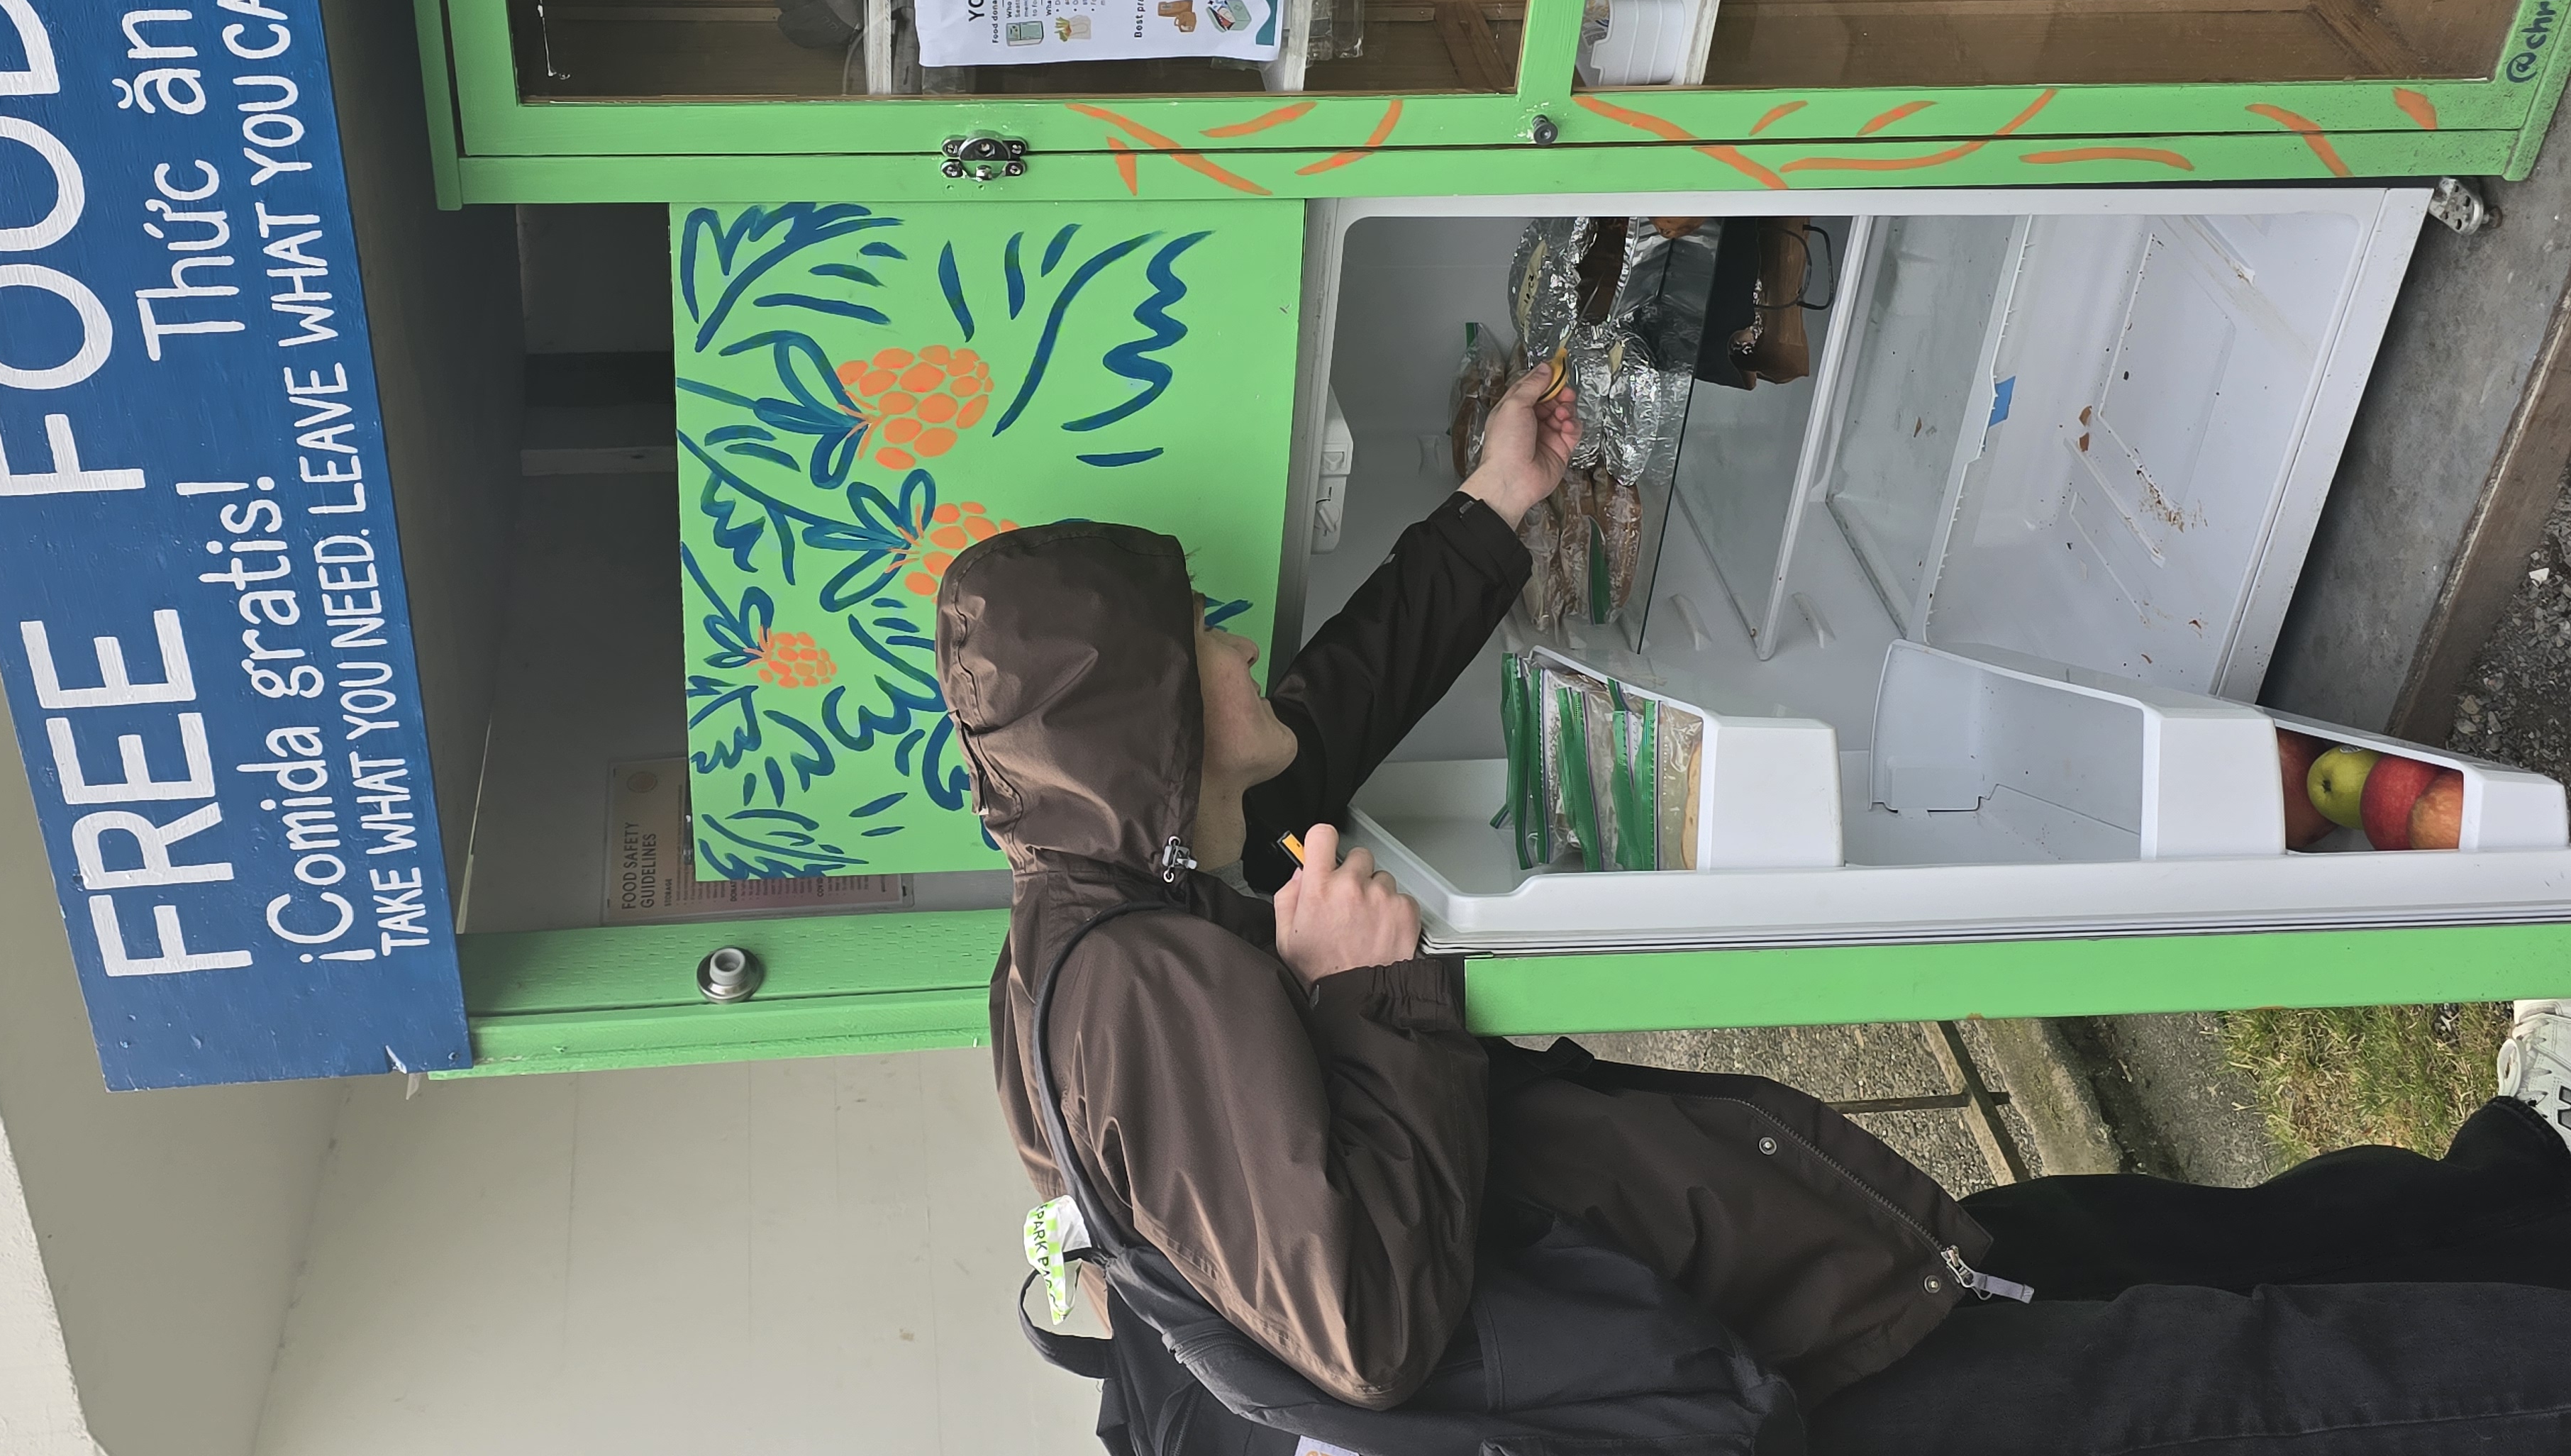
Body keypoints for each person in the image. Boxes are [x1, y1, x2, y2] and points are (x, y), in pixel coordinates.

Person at [931, 364, 2571, 1454]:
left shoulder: (1150, 884)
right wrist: (1368, 997)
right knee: (2234, 1392)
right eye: (1201, 644)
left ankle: (2518, 1204)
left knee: (2154, 1246)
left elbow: (1322, 712)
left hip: (1754, 1252)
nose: (1237, 651)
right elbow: (1360, 1326)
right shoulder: (1122, 988)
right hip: (1740, 1353)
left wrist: (1490, 510)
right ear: (1150, 725)